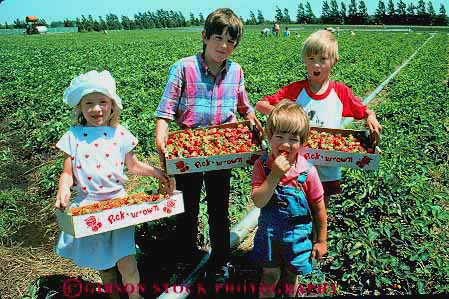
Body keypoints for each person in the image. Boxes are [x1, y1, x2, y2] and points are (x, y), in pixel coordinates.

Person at [154, 8, 262, 284]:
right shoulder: (183, 68)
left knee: (219, 208)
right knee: (186, 207)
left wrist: (250, 117)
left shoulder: (235, 71)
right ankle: (187, 257)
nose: (223, 46)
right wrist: (161, 137)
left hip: (221, 150)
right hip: (188, 146)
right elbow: (165, 110)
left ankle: (220, 260)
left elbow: (243, 104)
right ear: (204, 37)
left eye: (231, 42)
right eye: (218, 38)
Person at [54, 70, 172, 299]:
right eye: (89, 103)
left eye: (102, 102)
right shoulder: (73, 136)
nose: (96, 109)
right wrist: (63, 188)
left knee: (127, 262)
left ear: (112, 105)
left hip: (119, 203)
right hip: (89, 205)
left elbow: (134, 165)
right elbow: (67, 173)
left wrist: (158, 173)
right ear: (80, 107)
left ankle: (134, 296)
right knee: (105, 266)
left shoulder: (120, 134)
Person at [255, 30, 382, 206]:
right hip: (295, 165)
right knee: (294, 208)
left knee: (320, 209)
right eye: (311, 59)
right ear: (305, 60)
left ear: (333, 61)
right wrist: (284, 114)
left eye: (323, 59)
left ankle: (317, 233)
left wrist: (371, 116)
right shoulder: (295, 91)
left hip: (327, 167)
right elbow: (261, 105)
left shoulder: (340, 92)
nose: (316, 65)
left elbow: (363, 111)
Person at [251, 100, 327, 298]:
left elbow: (319, 208)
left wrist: (321, 240)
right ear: (269, 137)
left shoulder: (308, 172)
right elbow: (259, 201)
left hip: (298, 234)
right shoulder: (262, 166)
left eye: (293, 138)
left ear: (303, 142)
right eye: (279, 136)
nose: (285, 143)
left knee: (292, 276)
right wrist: (274, 175)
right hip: (270, 233)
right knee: (270, 274)